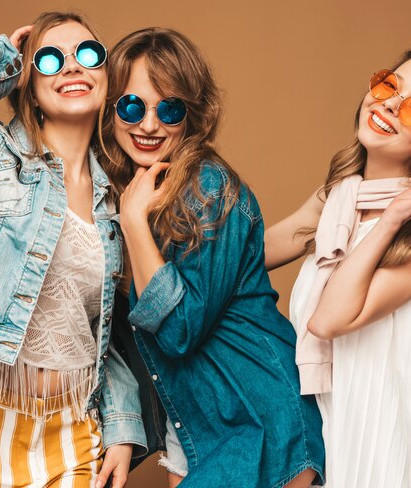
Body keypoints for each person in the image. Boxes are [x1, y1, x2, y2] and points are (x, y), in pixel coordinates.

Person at [0, 11, 147, 487]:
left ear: (105, 75)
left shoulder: (121, 198)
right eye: (48, 59)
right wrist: (6, 56)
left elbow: (110, 330)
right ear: (27, 85)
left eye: (87, 55)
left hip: (71, 432)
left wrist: (123, 427)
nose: (71, 67)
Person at [101, 28, 325, 487]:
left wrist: (133, 222)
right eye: (131, 106)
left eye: (169, 109)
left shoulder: (209, 187)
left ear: (192, 116)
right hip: (193, 423)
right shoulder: (122, 192)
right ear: (110, 111)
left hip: (261, 418)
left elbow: (180, 330)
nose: (149, 125)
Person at [265, 42, 411, 487]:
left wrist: (394, 218)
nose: (389, 104)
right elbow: (239, 261)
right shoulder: (336, 201)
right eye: (390, 85)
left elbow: (328, 320)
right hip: (331, 434)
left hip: (394, 445)